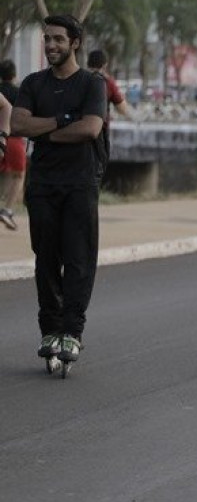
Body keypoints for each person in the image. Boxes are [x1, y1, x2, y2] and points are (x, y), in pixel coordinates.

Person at [11, 14, 108, 364]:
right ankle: (50, 330)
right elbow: (18, 124)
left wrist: (45, 133)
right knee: (46, 258)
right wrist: (61, 121)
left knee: (78, 260)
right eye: (47, 39)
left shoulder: (92, 84)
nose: (51, 45)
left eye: (58, 39)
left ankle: (72, 332)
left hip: (81, 183)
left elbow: (90, 128)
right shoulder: (33, 83)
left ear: (75, 43)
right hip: (43, 185)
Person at [0, 60, 25, 231]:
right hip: (14, 139)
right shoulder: (19, 93)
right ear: (14, 75)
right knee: (18, 175)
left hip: (1, 137)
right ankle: (7, 210)